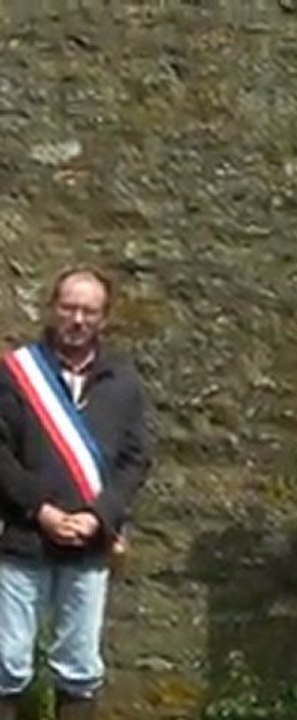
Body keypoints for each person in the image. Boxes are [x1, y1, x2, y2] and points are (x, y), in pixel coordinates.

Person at [0, 266, 152, 720]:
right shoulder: (14, 374)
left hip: (89, 543)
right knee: (5, 662)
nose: (78, 319)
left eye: (89, 311)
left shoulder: (123, 383)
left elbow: (136, 457)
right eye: (69, 308)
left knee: (80, 667)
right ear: (52, 309)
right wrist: (40, 509)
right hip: (21, 539)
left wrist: (99, 514)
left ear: (104, 318)